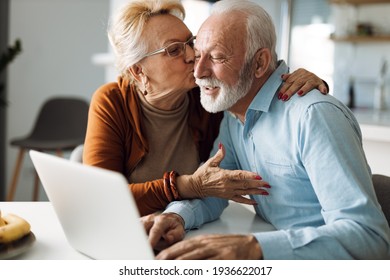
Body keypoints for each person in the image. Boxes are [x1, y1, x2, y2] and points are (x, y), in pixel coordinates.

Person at [147, 0, 390, 259]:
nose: (198, 71)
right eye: (197, 56)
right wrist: (178, 216)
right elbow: (216, 187)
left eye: (216, 57)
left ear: (260, 63)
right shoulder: (234, 113)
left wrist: (255, 248)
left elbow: (369, 237)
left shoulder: (313, 116)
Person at [83, 0, 328, 217]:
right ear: (138, 70)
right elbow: (101, 201)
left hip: (188, 225)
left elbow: (255, 80)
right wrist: (185, 186)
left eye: (190, 42)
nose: (192, 56)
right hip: (128, 231)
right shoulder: (112, 101)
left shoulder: (210, 96)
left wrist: (301, 81)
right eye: (174, 50)